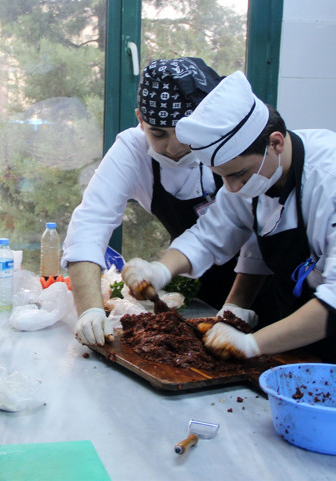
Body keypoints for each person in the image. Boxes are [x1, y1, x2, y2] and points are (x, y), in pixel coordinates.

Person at [121, 71, 336, 378]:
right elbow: (210, 235)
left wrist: (252, 343)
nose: (231, 188)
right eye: (222, 177)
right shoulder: (255, 174)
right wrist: (160, 271)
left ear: (276, 142)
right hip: (305, 314)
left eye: (238, 175)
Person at [63, 57, 240, 347]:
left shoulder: (228, 145)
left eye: (184, 134)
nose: (172, 147)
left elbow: (249, 235)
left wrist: (237, 308)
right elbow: (90, 225)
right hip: (207, 293)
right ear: (140, 119)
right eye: (157, 134)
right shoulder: (132, 150)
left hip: (262, 284)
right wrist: (91, 310)